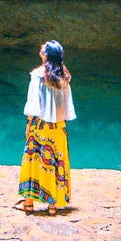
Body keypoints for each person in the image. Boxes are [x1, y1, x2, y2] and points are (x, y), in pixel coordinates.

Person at [17, 40, 75, 213]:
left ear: (47, 55)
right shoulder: (64, 76)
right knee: (56, 161)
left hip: (40, 125)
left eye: (44, 48)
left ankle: (29, 202)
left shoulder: (38, 76)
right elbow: (66, 104)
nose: (41, 49)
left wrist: (29, 123)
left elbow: (34, 103)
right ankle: (53, 205)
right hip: (58, 127)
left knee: (33, 160)